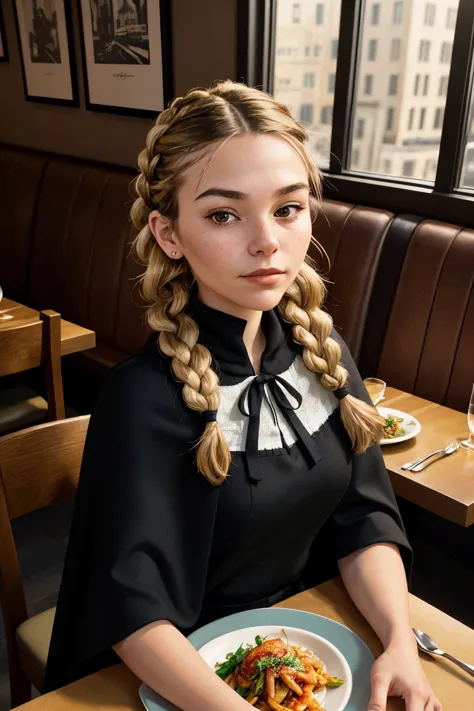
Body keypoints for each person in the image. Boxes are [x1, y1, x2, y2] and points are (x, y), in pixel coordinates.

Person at [44, 81, 441, 711]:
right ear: (168, 233)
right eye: (223, 214)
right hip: (182, 680)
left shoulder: (322, 347)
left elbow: (364, 520)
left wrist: (398, 643)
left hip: (309, 643)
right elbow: (131, 610)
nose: (267, 242)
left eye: (287, 208)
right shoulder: (141, 397)